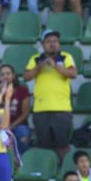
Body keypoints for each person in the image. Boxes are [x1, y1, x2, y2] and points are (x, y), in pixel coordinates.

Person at [23, 30, 76, 163]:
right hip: (41, 109)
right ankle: (45, 170)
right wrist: (38, 69)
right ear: (43, 44)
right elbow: (26, 76)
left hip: (62, 109)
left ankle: (63, 171)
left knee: (62, 145)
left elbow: (73, 73)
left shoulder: (66, 57)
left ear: (59, 44)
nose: (52, 44)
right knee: (43, 145)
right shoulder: (35, 58)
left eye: (55, 41)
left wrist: (56, 67)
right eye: (48, 42)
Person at [0, 65, 30, 154]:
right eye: (2, 74)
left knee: (24, 136)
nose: (5, 76)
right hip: (0, 126)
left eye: (8, 74)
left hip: (18, 124)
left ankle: (19, 161)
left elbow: (25, 113)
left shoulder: (22, 90)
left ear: (13, 75)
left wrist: (12, 126)